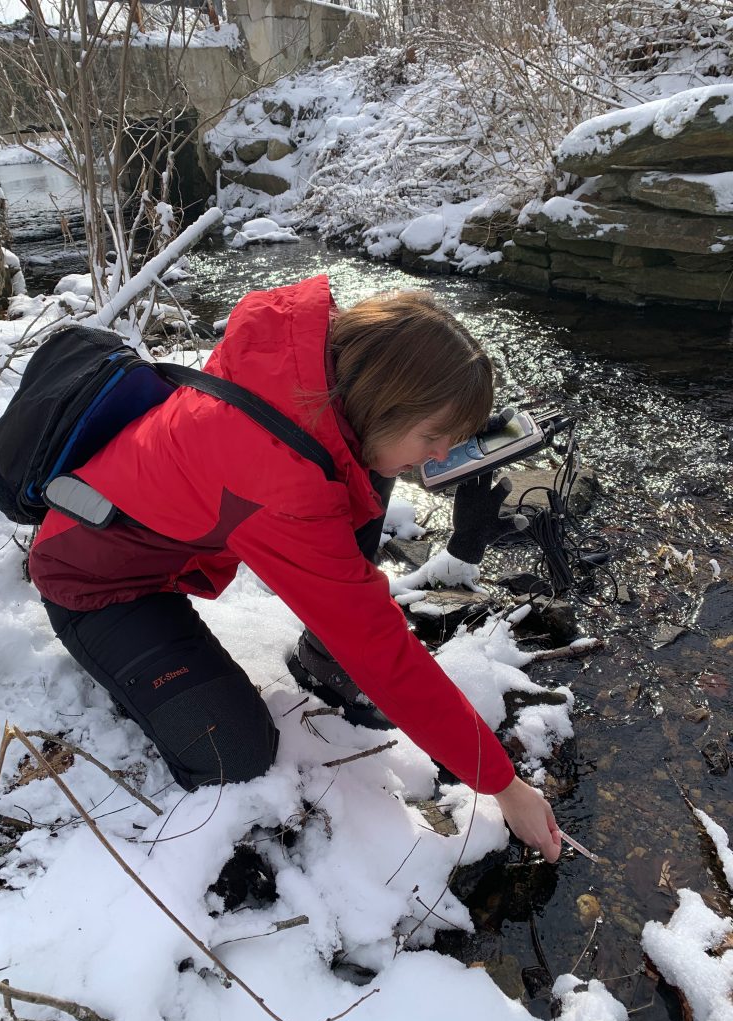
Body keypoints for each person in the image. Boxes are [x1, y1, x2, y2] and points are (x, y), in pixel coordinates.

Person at [28, 274, 561, 863]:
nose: (439, 456)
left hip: (138, 530)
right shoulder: (278, 481)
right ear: (385, 398)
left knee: (363, 466)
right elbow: (384, 655)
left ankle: (325, 660)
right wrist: (504, 786)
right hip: (96, 584)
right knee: (234, 754)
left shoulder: (308, 365)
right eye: (432, 436)